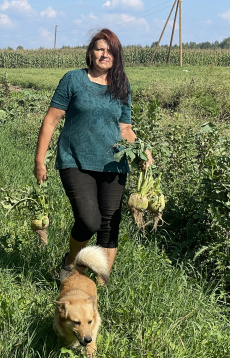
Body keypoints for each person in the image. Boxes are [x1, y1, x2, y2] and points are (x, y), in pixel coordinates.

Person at [33, 29, 152, 283]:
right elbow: (51, 120)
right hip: (75, 160)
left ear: (116, 56)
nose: (104, 54)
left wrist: (141, 149)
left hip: (114, 164)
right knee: (89, 220)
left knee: (110, 223)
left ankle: (100, 282)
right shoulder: (73, 80)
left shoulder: (122, 86)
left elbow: (125, 128)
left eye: (110, 51)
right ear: (90, 53)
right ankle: (72, 262)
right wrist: (39, 160)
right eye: (100, 49)